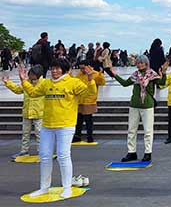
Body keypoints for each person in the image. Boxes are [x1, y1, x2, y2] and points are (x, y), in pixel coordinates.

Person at [20, 58, 97, 199]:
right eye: (52, 68)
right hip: (47, 125)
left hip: (65, 125)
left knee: (63, 156)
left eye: (57, 68)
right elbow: (33, 93)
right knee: (44, 156)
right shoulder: (47, 83)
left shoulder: (73, 82)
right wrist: (23, 80)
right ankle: (44, 187)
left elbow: (89, 93)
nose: (54, 71)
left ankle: (66, 187)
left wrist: (91, 79)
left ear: (64, 69)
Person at [108, 55, 166, 163]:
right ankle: (131, 152)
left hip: (147, 105)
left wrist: (164, 73)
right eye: (138, 63)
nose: (139, 65)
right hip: (134, 104)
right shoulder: (135, 75)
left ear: (146, 63)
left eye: (141, 63)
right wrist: (115, 74)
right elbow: (125, 83)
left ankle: (147, 153)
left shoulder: (152, 74)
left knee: (148, 131)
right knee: (132, 129)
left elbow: (162, 83)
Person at [3, 65, 44, 159]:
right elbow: (18, 90)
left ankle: (41, 152)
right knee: (25, 133)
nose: (30, 76)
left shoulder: (44, 83)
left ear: (38, 75)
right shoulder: (27, 82)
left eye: (32, 74)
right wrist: (7, 82)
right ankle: (24, 151)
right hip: (27, 112)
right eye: (29, 74)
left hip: (39, 113)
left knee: (39, 134)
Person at [72, 63, 106, 143]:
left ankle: (89, 136)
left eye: (83, 68)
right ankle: (77, 135)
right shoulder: (79, 74)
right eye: (80, 68)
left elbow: (102, 82)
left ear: (89, 67)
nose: (82, 70)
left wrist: (101, 74)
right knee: (79, 120)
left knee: (88, 120)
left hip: (89, 100)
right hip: (80, 100)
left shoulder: (95, 74)